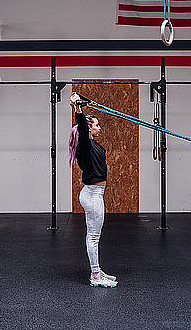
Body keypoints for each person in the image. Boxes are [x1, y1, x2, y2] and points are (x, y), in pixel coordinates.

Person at [69, 92, 118, 288]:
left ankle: (97, 270)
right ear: (88, 129)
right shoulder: (85, 146)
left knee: (94, 236)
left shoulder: (93, 145)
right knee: (93, 237)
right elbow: (81, 125)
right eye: (96, 125)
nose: (100, 128)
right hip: (91, 195)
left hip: (95, 194)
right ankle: (95, 275)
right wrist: (78, 109)